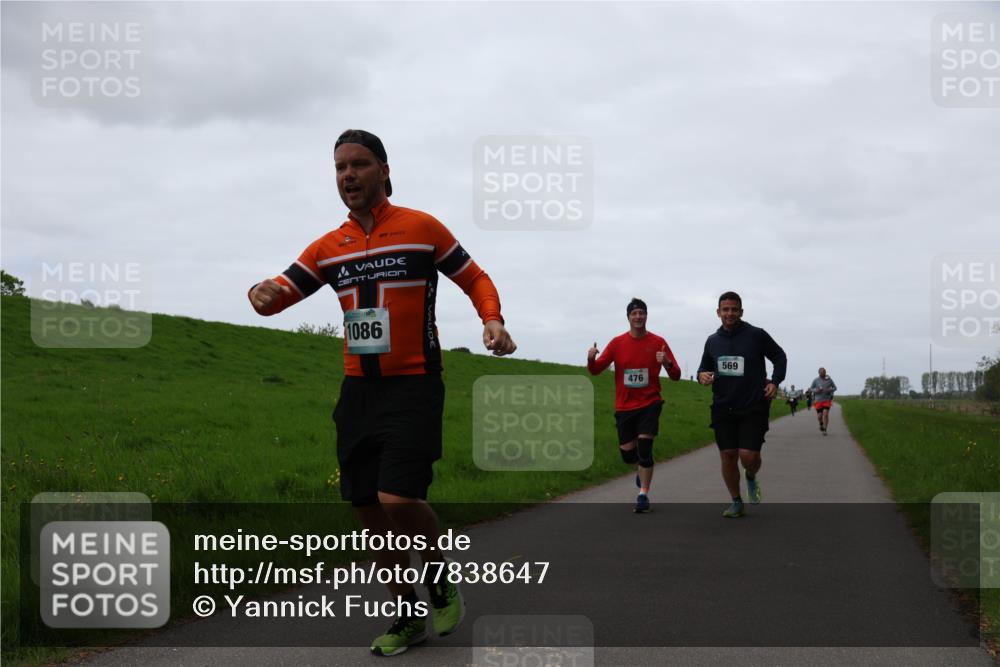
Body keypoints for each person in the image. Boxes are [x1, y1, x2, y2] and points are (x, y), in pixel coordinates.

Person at [249, 129, 516, 656]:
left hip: (415, 384)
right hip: (358, 392)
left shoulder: (422, 228)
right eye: (340, 167)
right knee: (370, 512)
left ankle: (437, 576)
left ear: (385, 171)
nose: (348, 175)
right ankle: (406, 614)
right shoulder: (329, 247)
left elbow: (475, 277)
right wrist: (260, 294)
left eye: (360, 164)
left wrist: (493, 320)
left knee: (399, 497)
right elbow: (279, 293)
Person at [697, 291, 787, 518]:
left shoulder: (756, 335)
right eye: (725, 310)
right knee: (727, 456)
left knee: (749, 457)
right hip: (722, 406)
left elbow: (779, 357)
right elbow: (703, 369)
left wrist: (775, 382)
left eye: (734, 309)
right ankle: (736, 501)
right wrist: (702, 377)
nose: (729, 313)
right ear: (718, 313)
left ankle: (750, 475)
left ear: (741, 312)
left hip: (752, 405)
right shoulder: (712, 341)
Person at [587, 298, 681, 513]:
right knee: (629, 455)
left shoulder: (659, 342)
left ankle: (643, 494)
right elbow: (596, 370)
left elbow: (675, 375)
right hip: (625, 406)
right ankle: (641, 470)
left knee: (645, 450)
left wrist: (665, 361)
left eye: (641, 313)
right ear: (628, 317)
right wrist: (591, 359)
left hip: (650, 403)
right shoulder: (617, 343)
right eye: (634, 313)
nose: (638, 317)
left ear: (646, 316)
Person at [810, 367, 838, 435]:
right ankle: (821, 424)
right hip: (818, 400)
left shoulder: (829, 380)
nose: (823, 373)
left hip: (827, 400)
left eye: (824, 372)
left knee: (825, 414)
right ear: (819, 373)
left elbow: (835, 388)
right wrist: (816, 390)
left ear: (825, 372)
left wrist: (830, 390)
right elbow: (811, 389)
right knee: (819, 416)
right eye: (821, 372)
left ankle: (825, 430)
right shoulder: (815, 380)